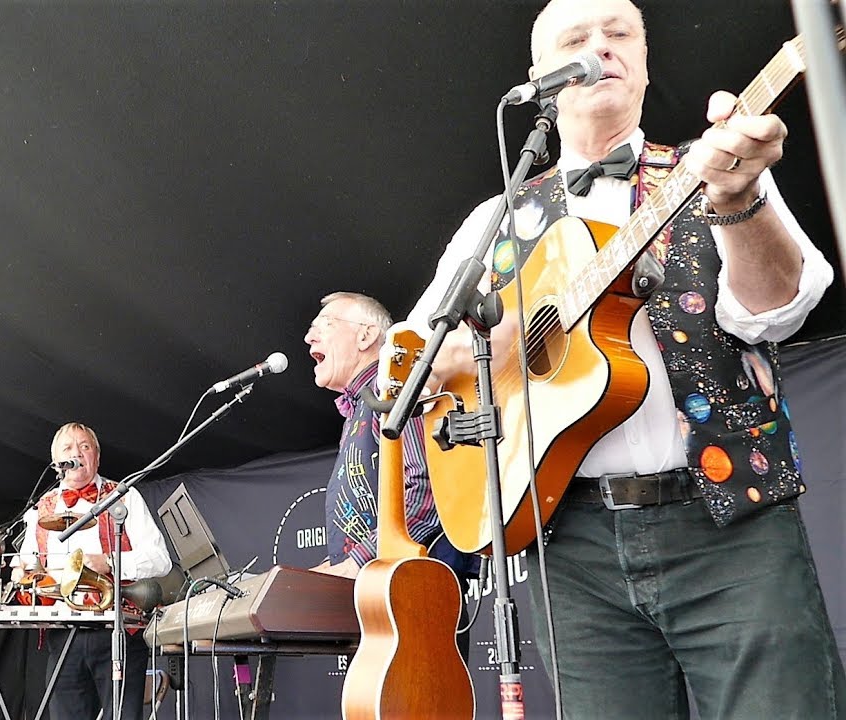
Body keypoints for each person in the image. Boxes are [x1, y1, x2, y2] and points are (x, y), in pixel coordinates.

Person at [406, 1, 843, 717]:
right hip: (568, 545)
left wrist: (737, 202)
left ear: (643, 62)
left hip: (728, 524)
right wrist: (484, 344)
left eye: (619, 35)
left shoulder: (710, 170)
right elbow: (411, 364)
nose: (600, 48)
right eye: (575, 40)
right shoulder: (495, 222)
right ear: (540, 78)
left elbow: (777, 309)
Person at [304, 291, 481, 588]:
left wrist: (357, 564)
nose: (310, 337)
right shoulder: (361, 406)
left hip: (413, 590)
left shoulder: (394, 383)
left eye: (325, 324)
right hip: (377, 587)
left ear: (366, 336)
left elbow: (427, 487)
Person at [16, 422, 171, 720]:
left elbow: (160, 559)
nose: (77, 453)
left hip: (117, 631)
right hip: (64, 633)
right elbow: (29, 567)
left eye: (85, 447)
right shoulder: (40, 509)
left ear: (97, 457)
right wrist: (22, 572)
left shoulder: (124, 497)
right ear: (57, 462)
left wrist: (110, 562)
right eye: (68, 449)